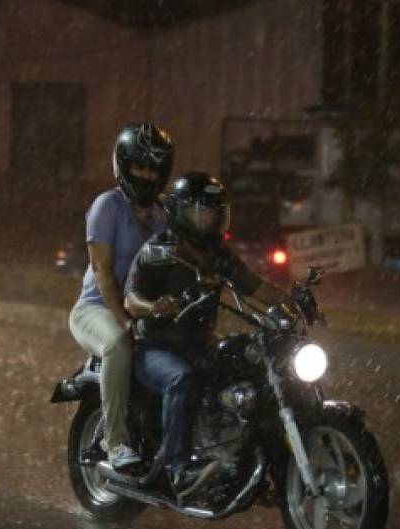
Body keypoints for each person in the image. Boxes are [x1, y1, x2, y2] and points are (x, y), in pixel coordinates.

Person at [123, 172, 288, 494]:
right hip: (155, 347)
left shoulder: (218, 257)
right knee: (180, 378)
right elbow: (130, 299)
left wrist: (294, 301)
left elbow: (257, 287)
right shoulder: (157, 252)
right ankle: (177, 469)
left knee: (245, 368)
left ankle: (235, 452)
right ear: (179, 213)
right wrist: (155, 306)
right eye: (201, 212)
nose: (209, 220)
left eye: (215, 212)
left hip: (197, 343)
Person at [68, 123, 174, 469]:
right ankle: (116, 444)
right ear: (123, 165)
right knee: (118, 344)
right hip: (96, 308)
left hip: (143, 309)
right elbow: (102, 271)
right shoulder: (107, 206)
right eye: (139, 166)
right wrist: (125, 320)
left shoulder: (163, 215)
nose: (147, 175)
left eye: (154, 168)